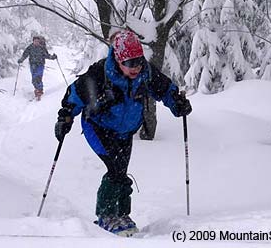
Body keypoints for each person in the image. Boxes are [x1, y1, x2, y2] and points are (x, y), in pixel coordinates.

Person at [54, 29, 192, 236]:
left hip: (125, 131)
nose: (135, 67)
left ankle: (121, 213)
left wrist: (178, 103)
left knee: (121, 171)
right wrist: (65, 117)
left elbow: (166, 90)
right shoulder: (99, 74)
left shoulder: (146, 73)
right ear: (117, 59)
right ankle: (106, 215)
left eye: (138, 61)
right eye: (129, 63)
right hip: (98, 127)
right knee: (115, 169)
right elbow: (74, 95)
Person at [18, 35, 57, 100]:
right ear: (33, 41)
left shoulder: (42, 48)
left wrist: (52, 57)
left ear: (39, 42)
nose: (36, 42)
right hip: (32, 65)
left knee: (38, 77)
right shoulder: (30, 47)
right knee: (34, 79)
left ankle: (39, 90)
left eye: (37, 41)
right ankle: (37, 89)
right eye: (35, 41)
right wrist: (21, 59)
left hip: (40, 65)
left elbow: (46, 55)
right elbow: (25, 54)